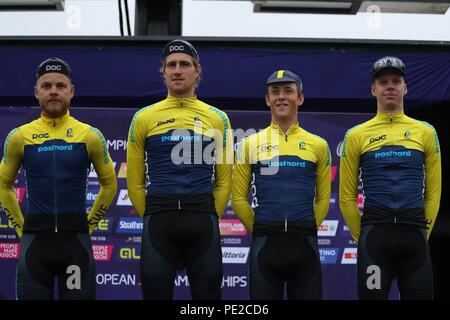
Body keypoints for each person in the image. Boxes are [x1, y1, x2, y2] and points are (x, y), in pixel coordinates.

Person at [0, 57, 117, 299]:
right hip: (35, 246)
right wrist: (21, 227)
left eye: (61, 86)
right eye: (47, 86)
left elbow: (109, 185)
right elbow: (3, 185)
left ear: (71, 91)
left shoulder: (90, 136)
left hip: (75, 245)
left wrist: (90, 225)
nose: (54, 91)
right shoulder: (20, 136)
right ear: (36, 92)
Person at [126, 39, 232, 300]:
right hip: (159, 221)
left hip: (202, 220)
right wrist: (154, 213)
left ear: (197, 70)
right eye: (170, 65)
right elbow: (135, 183)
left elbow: (223, 182)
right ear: (163, 72)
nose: (177, 70)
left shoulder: (218, 118)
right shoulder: (143, 118)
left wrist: (207, 213)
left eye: (184, 64)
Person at [339, 56, 441, 300]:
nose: (390, 86)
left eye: (396, 80)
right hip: (375, 238)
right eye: (383, 82)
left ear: (405, 87)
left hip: (414, 234)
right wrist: (361, 235)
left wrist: (422, 230)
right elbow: (345, 197)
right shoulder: (356, 135)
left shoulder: (426, 131)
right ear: (374, 90)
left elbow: (434, 192)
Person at [232, 69, 331, 300]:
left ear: (300, 98)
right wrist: (260, 228)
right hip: (265, 245)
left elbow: (324, 199)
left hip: (304, 244)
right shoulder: (249, 144)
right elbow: (238, 199)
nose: (281, 96)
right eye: (275, 92)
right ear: (267, 100)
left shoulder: (318, 145)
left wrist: (306, 226)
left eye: (288, 91)